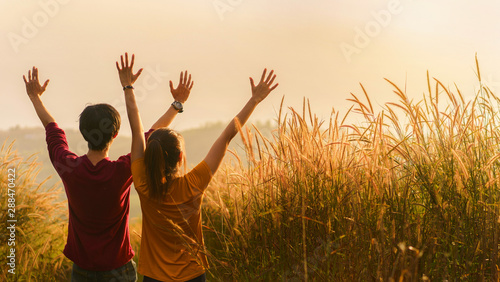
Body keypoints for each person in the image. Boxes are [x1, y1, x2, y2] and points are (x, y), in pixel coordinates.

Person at [23, 57, 190, 281]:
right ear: (115, 135)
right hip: (119, 271)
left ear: (83, 133)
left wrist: (34, 97)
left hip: (82, 271)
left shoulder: (68, 168)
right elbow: (149, 136)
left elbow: (52, 129)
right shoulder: (122, 171)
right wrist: (176, 104)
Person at [118, 52, 278, 281]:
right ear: (180, 156)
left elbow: (137, 130)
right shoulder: (193, 184)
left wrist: (128, 87)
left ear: (151, 155)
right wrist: (254, 100)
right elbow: (226, 137)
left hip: (154, 277)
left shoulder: (143, 183)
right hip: (193, 275)